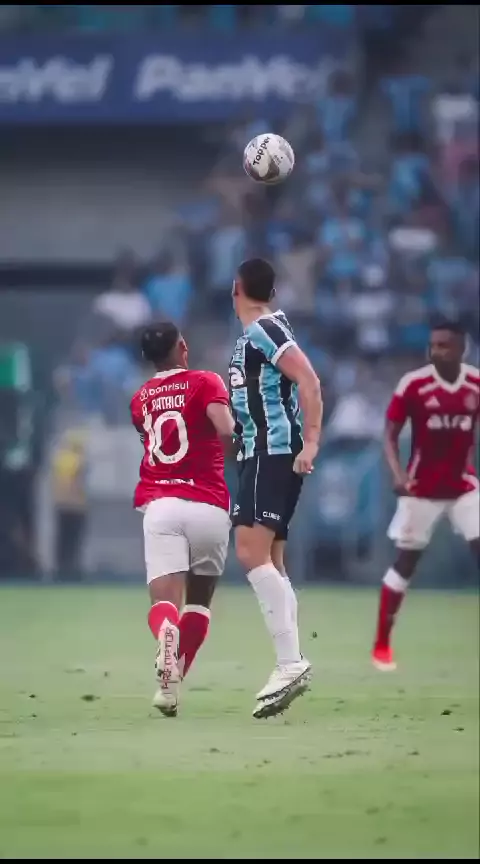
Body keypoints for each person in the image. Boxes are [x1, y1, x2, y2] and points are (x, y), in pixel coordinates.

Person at [230, 258, 323, 718]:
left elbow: (308, 379)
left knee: (250, 552)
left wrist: (312, 441)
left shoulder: (264, 328)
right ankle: (291, 661)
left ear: (236, 288)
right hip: (260, 452)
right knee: (272, 559)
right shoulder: (261, 331)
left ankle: (290, 663)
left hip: (273, 451)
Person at [130, 322, 234, 716]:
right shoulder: (206, 382)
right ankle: (170, 688)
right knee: (199, 603)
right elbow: (226, 430)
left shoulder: (140, 399)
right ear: (183, 347)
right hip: (208, 505)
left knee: (164, 604)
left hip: (162, 507)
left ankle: (165, 639)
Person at [372, 320, 479, 670]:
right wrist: (399, 475)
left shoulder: (475, 384)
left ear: (461, 348)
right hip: (421, 489)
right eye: (433, 345)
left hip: (463, 486)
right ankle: (382, 645)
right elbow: (390, 434)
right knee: (406, 563)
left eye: (445, 346)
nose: (436, 352)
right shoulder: (414, 385)